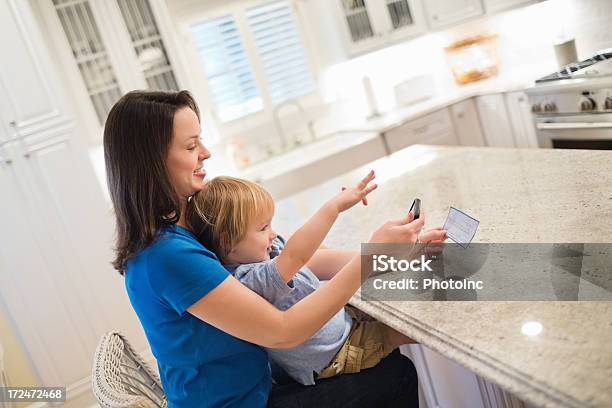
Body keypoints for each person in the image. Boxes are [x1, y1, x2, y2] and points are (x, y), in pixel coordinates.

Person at [103, 90, 447, 407]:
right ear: (153, 161)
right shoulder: (165, 256)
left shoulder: (184, 220)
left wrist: (396, 255)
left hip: (258, 384)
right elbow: (284, 331)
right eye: (191, 146)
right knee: (394, 375)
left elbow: (285, 258)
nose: (205, 153)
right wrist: (369, 258)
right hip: (242, 403)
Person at [184, 175, 428, 386]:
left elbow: (310, 251)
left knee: (407, 308)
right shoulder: (246, 280)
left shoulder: (263, 248)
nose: (272, 233)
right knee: (413, 330)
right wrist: (334, 207)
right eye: (262, 228)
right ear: (227, 242)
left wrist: (395, 256)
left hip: (343, 323)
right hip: (335, 355)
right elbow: (295, 256)